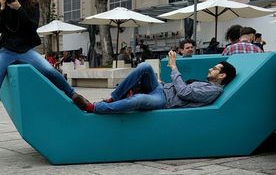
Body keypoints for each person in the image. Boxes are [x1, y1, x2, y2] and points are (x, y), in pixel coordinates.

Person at [0, 0, 86, 142]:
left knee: (49, 70)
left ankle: (74, 96)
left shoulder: (32, 5)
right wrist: (3, 8)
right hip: (6, 51)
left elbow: (30, 27)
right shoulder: (4, 8)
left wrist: (18, 8)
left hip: (25, 50)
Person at [74, 51, 236, 114]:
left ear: (222, 76)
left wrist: (174, 67)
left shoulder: (214, 91)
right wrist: (161, 82)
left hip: (164, 101)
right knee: (145, 66)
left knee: (138, 100)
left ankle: (94, 107)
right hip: (162, 89)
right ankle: (114, 97)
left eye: (215, 69)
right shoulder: (207, 85)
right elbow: (180, 89)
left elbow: (183, 92)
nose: (210, 69)